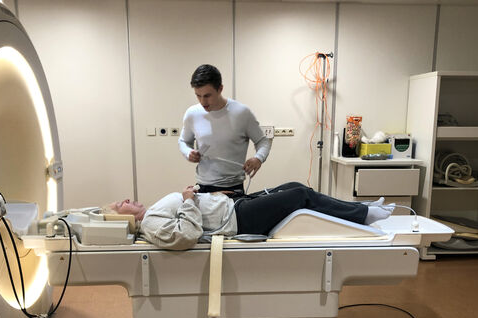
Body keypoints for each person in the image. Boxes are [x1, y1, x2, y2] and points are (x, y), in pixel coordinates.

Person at [110, 182, 394, 250]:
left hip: (235, 206)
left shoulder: (152, 212)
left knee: (296, 186)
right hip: (238, 219)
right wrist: (188, 200)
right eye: (121, 204)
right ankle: (364, 215)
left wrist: (209, 195)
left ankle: (361, 208)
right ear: (124, 220)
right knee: (299, 196)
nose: (126, 199)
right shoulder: (150, 224)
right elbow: (185, 235)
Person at [178, 64, 272, 194]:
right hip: (202, 187)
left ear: (220, 89)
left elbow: (263, 141)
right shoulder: (192, 114)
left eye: (207, 96)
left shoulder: (242, 113)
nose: (203, 102)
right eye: (198, 95)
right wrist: (188, 152)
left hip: (233, 188)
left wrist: (258, 158)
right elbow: (183, 141)